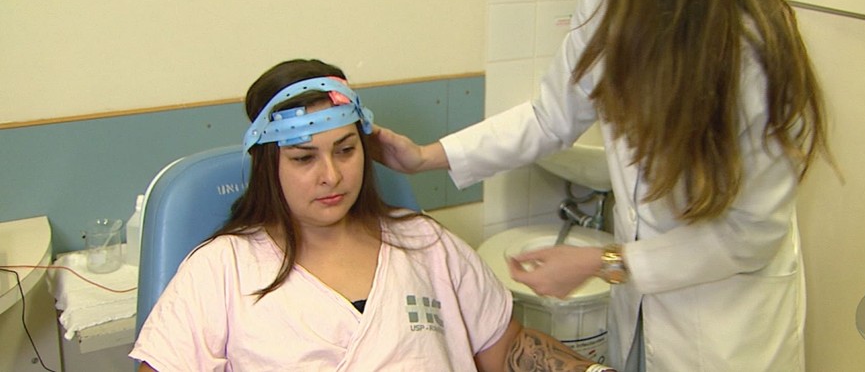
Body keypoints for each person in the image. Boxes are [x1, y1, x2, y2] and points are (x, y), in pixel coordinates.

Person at [371, 0, 832, 370]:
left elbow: (747, 239)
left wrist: (603, 262)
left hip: (723, 330)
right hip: (642, 314)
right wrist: (427, 157)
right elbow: (551, 116)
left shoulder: (752, 51)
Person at [130, 59, 615, 371]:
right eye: (304, 159)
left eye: (345, 150)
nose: (331, 175)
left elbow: (508, 349)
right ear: (269, 166)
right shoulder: (222, 269)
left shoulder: (425, 244)